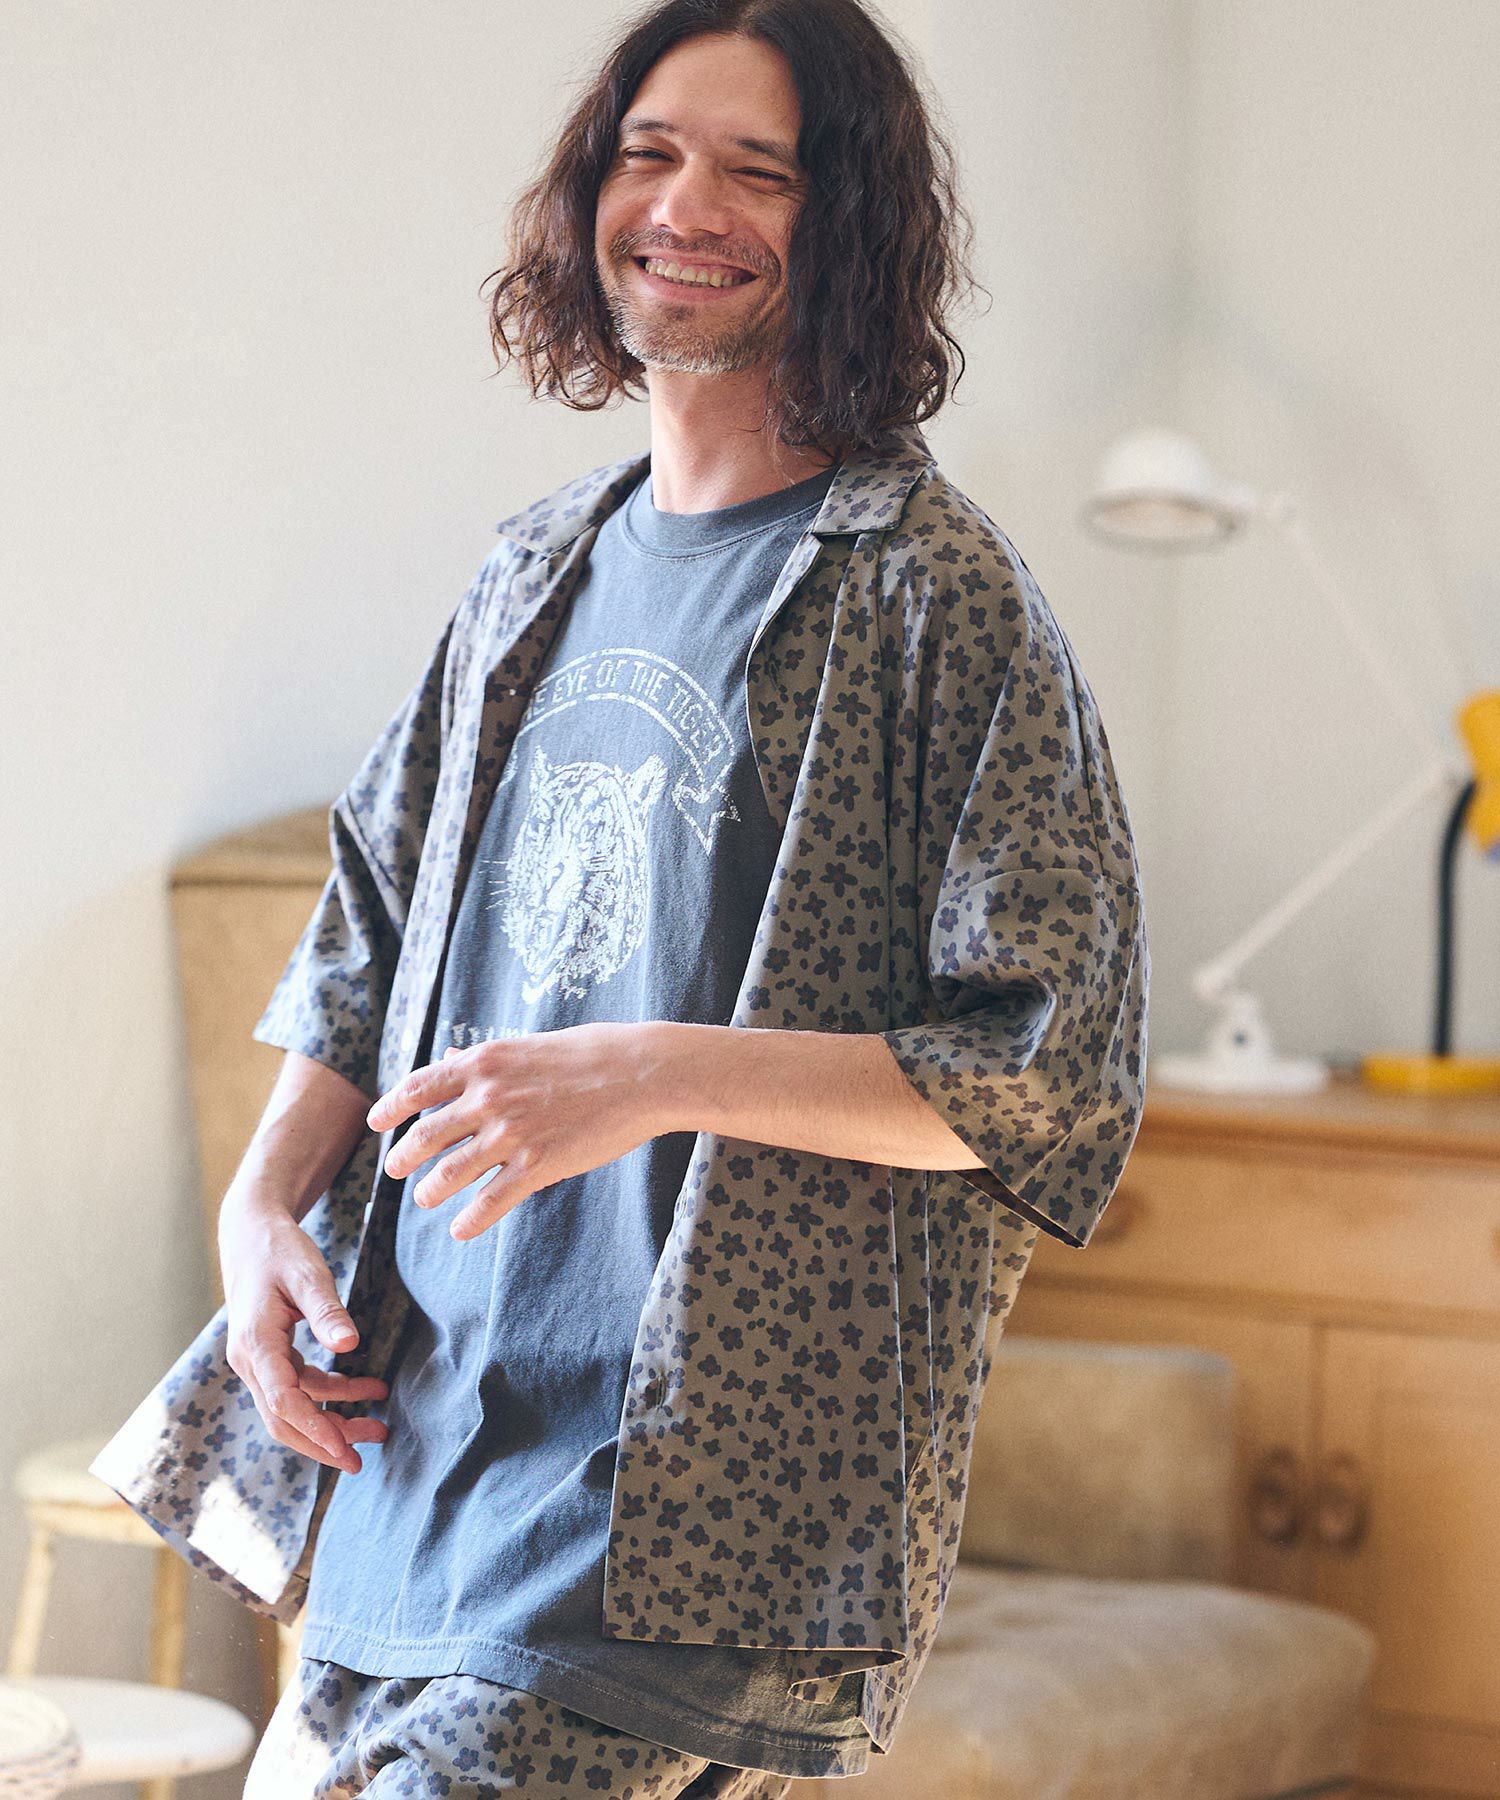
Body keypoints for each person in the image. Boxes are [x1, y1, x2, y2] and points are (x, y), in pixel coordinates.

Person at [91, 1, 1151, 1794]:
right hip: (407, 1461)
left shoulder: (933, 597)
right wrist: (260, 1205)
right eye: (649, 154)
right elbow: (365, 922)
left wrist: (648, 1074)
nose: (687, 206)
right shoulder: (535, 568)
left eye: (760, 170)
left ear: (851, 223)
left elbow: (1044, 1070)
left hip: (685, 1530)